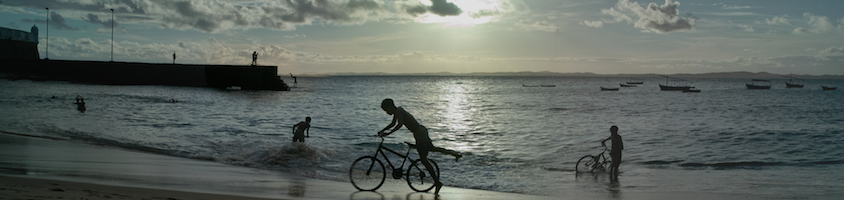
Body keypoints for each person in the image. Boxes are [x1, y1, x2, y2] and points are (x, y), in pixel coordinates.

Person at [378, 99, 461, 194]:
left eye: (386, 110)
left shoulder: (398, 111)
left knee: (423, 159)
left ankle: (437, 183)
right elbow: (393, 124)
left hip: (420, 134)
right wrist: (382, 130)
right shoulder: (398, 111)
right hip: (420, 131)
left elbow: (399, 124)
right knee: (433, 149)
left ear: (390, 107)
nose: (387, 112)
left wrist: (388, 133)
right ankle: (454, 154)